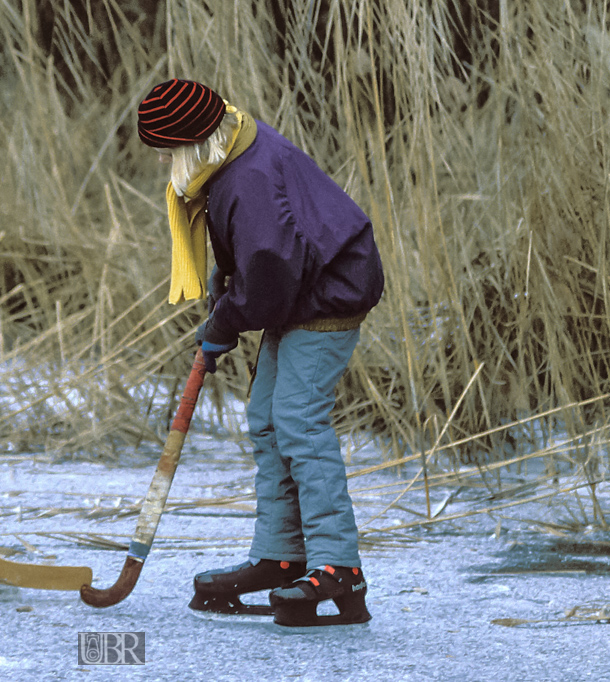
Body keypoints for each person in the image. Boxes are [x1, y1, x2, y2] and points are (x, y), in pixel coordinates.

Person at [136, 79, 384, 627]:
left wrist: (224, 321)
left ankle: (339, 565)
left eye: (166, 152)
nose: (164, 163)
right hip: (301, 292)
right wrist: (227, 296)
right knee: (267, 420)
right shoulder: (234, 148)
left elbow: (270, 270)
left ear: (191, 143)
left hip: (326, 293)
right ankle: (281, 555)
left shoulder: (244, 177)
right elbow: (257, 255)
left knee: (297, 419)